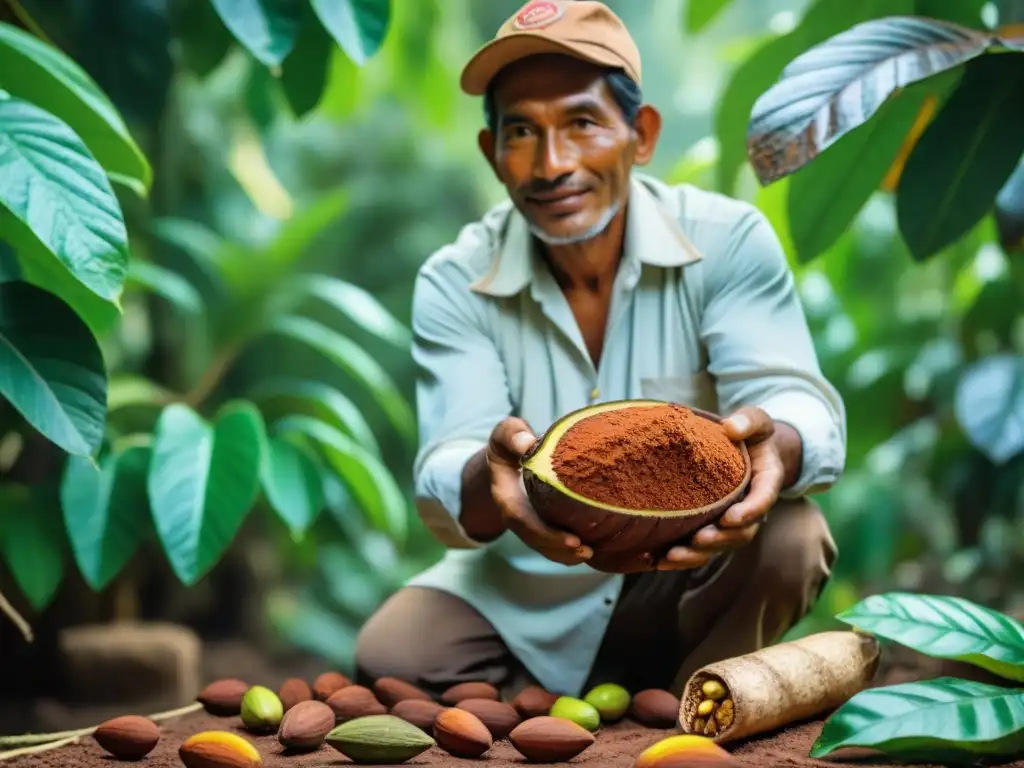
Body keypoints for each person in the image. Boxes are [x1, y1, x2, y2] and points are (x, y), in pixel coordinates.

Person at [355, 0, 844, 702]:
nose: (551, 165)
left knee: (792, 537)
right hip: (530, 585)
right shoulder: (454, 278)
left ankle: (706, 702)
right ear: (493, 154)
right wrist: (490, 480)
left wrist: (779, 446)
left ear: (640, 135)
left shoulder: (726, 241)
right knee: (394, 650)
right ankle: (586, 704)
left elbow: (798, 402)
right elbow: (446, 460)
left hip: (689, 563)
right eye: (521, 131)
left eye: (582, 123)